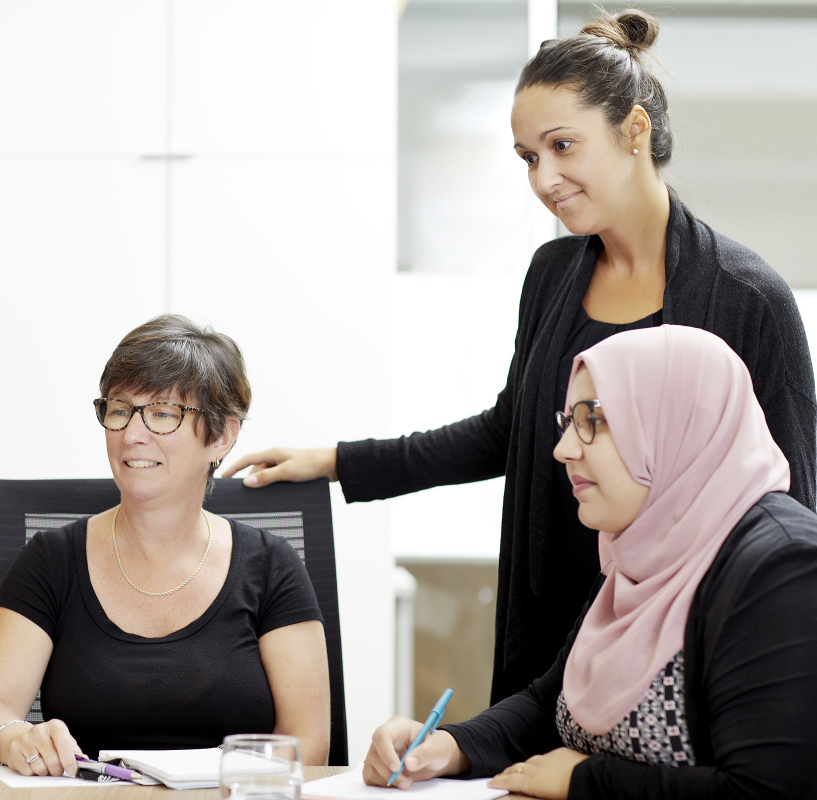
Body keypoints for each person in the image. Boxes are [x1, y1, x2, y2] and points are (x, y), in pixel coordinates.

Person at [223, 8, 816, 704]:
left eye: (564, 146)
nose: (544, 178)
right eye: (530, 157)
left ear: (634, 130)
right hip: (551, 630)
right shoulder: (553, 274)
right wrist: (338, 461)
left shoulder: (747, 298)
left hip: (683, 646)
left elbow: (790, 511)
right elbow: (512, 431)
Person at [363, 325, 817, 799]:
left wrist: (584, 780)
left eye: (593, 421)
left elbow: (767, 790)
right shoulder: (644, 550)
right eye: (567, 423)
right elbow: (550, 703)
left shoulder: (782, 570)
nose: (563, 449)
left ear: (671, 423)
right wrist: (449, 746)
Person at [0, 314, 330, 774]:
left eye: (163, 414)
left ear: (222, 436)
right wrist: (13, 736)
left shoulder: (272, 566)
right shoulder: (51, 560)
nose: (132, 434)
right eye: (120, 409)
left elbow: (308, 746)